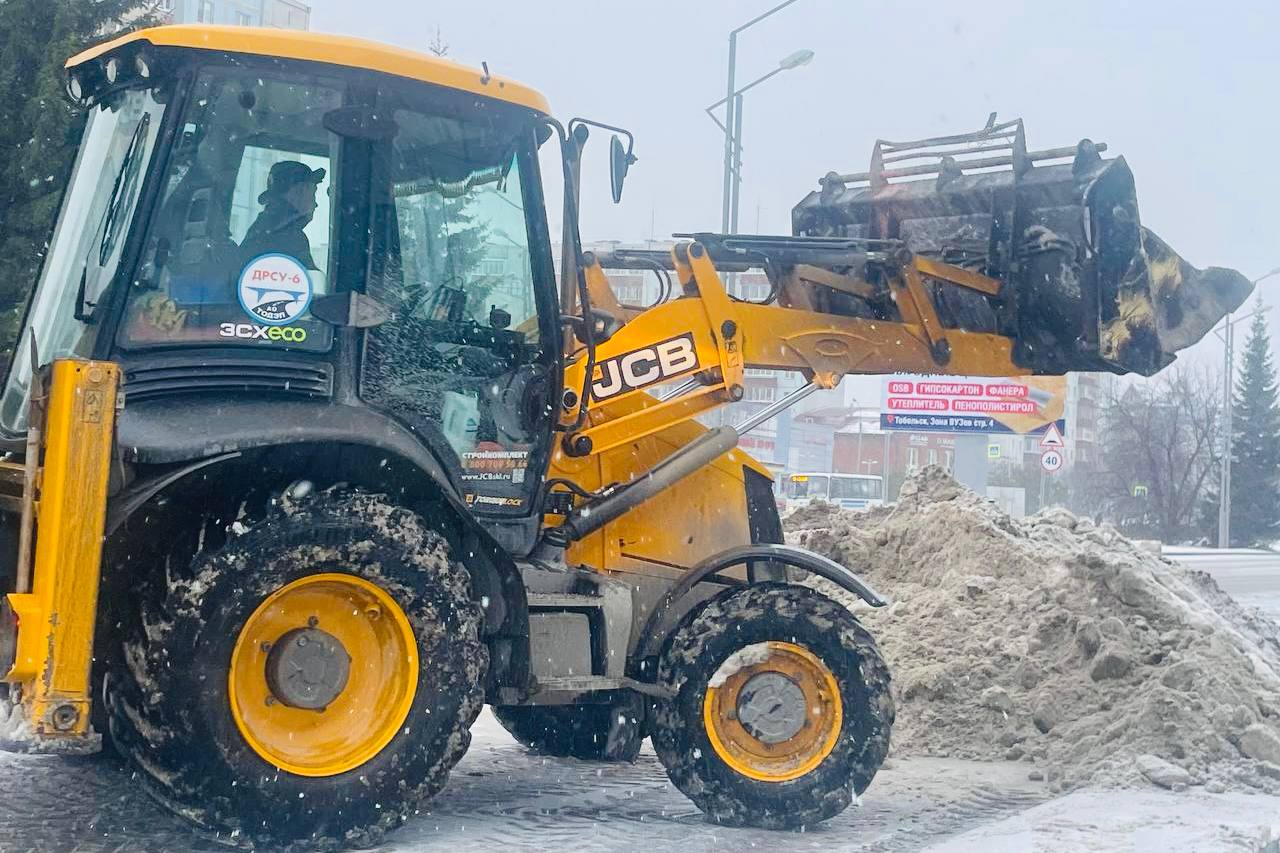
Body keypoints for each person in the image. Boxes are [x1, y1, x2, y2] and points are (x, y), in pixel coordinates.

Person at [239, 160, 325, 270]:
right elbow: (313, 282)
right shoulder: (289, 236)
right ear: (299, 191)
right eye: (313, 193)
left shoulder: (264, 228)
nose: (316, 204)